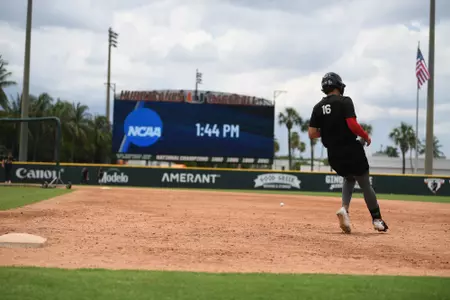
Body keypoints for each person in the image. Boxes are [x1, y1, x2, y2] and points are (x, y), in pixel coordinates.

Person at [308, 72, 388, 234]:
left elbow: (312, 133)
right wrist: (365, 135)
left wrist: (330, 130)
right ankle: (377, 220)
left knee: (349, 177)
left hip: (333, 155)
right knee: (365, 183)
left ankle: (344, 209)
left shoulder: (317, 108)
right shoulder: (345, 101)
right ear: (338, 86)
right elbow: (352, 124)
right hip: (351, 149)